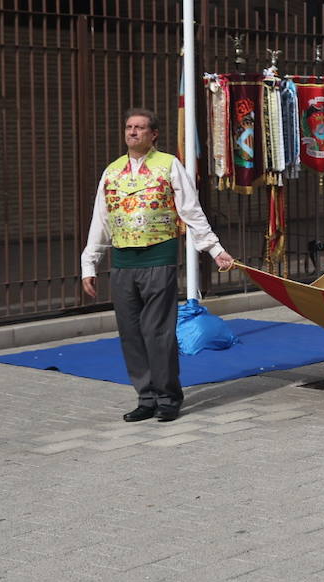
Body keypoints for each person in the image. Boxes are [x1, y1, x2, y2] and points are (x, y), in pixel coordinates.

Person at [81, 108, 236, 422]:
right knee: (131, 332)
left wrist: (214, 248)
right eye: (129, 127)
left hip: (158, 258)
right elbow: (102, 219)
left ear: (153, 134)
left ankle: (168, 397)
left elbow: (191, 211)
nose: (133, 132)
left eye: (140, 127)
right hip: (123, 262)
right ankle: (146, 396)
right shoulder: (111, 172)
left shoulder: (168, 165)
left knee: (157, 331)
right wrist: (90, 263)